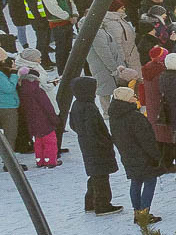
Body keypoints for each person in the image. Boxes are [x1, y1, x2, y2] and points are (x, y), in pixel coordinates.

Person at [63, 76, 120, 212]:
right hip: (97, 147)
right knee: (101, 176)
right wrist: (105, 141)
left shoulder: (77, 104)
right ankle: (102, 205)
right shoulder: (88, 107)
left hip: (87, 145)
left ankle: (90, 202)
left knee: (95, 174)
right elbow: (94, 129)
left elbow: (73, 125)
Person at [111, 84, 161, 225]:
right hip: (142, 156)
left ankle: (136, 211)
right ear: (127, 100)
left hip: (127, 155)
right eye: (133, 96)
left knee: (136, 181)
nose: (135, 97)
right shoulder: (135, 117)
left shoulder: (115, 117)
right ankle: (144, 213)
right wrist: (156, 155)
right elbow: (146, 140)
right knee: (150, 181)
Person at [17, 63, 59, 167]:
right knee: (50, 142)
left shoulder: (22, 90)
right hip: (44, 121)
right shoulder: (37, 90)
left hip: (32, 122)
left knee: (38, 143)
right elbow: (47, 106)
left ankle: (40, 161)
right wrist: (55, 119)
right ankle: (50, 161)